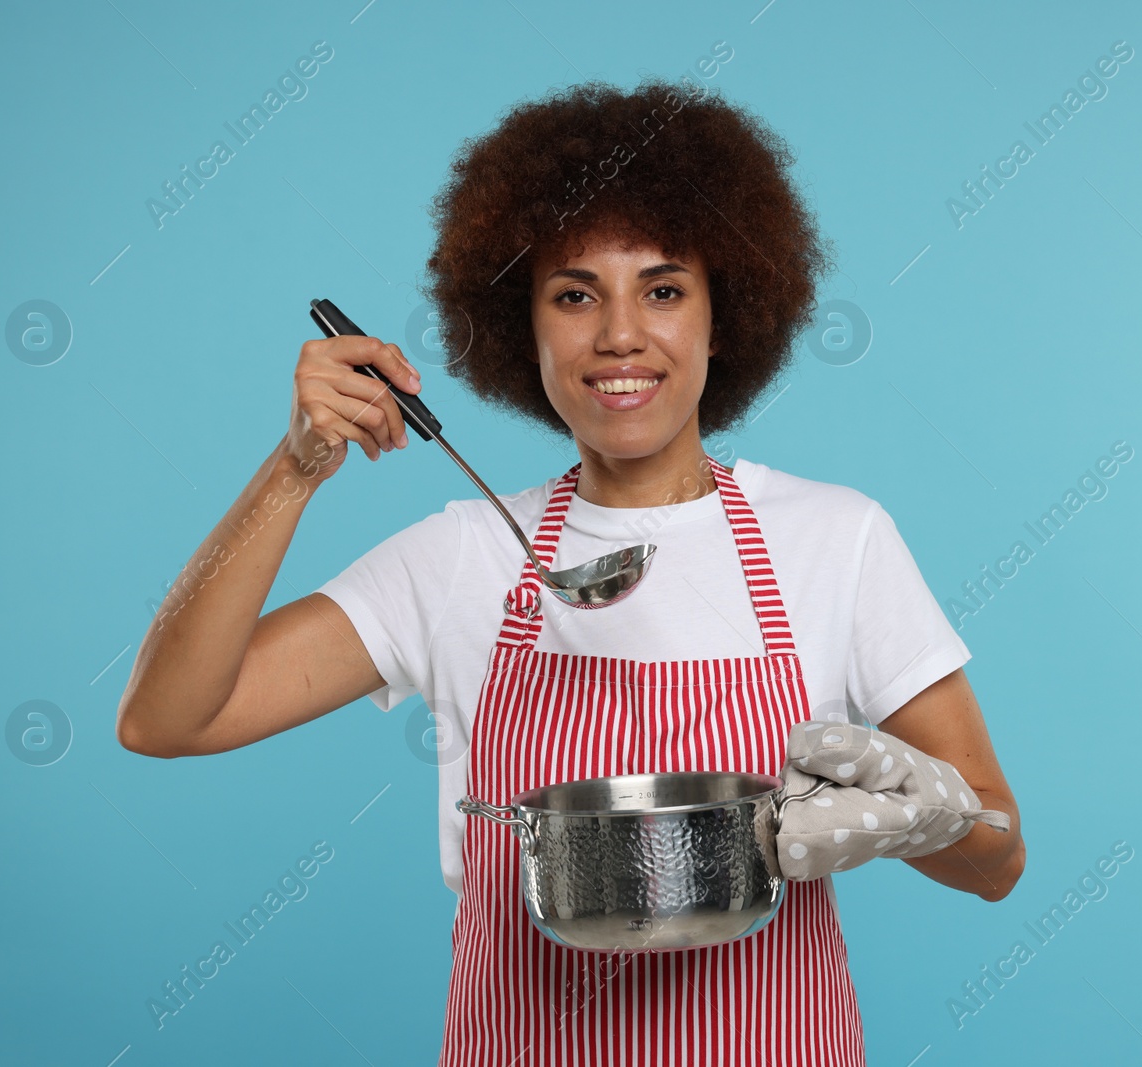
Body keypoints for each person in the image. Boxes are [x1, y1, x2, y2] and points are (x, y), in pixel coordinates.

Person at [116, 77, 1024, 1066]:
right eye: (574, 293)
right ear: (524, 329)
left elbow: (996, 859)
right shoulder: (460, 554)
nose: (619, 333)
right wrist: (293, 470)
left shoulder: (834, 538)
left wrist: (925, 814)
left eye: (664, 288)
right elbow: (168, 718)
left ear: (724, 317)